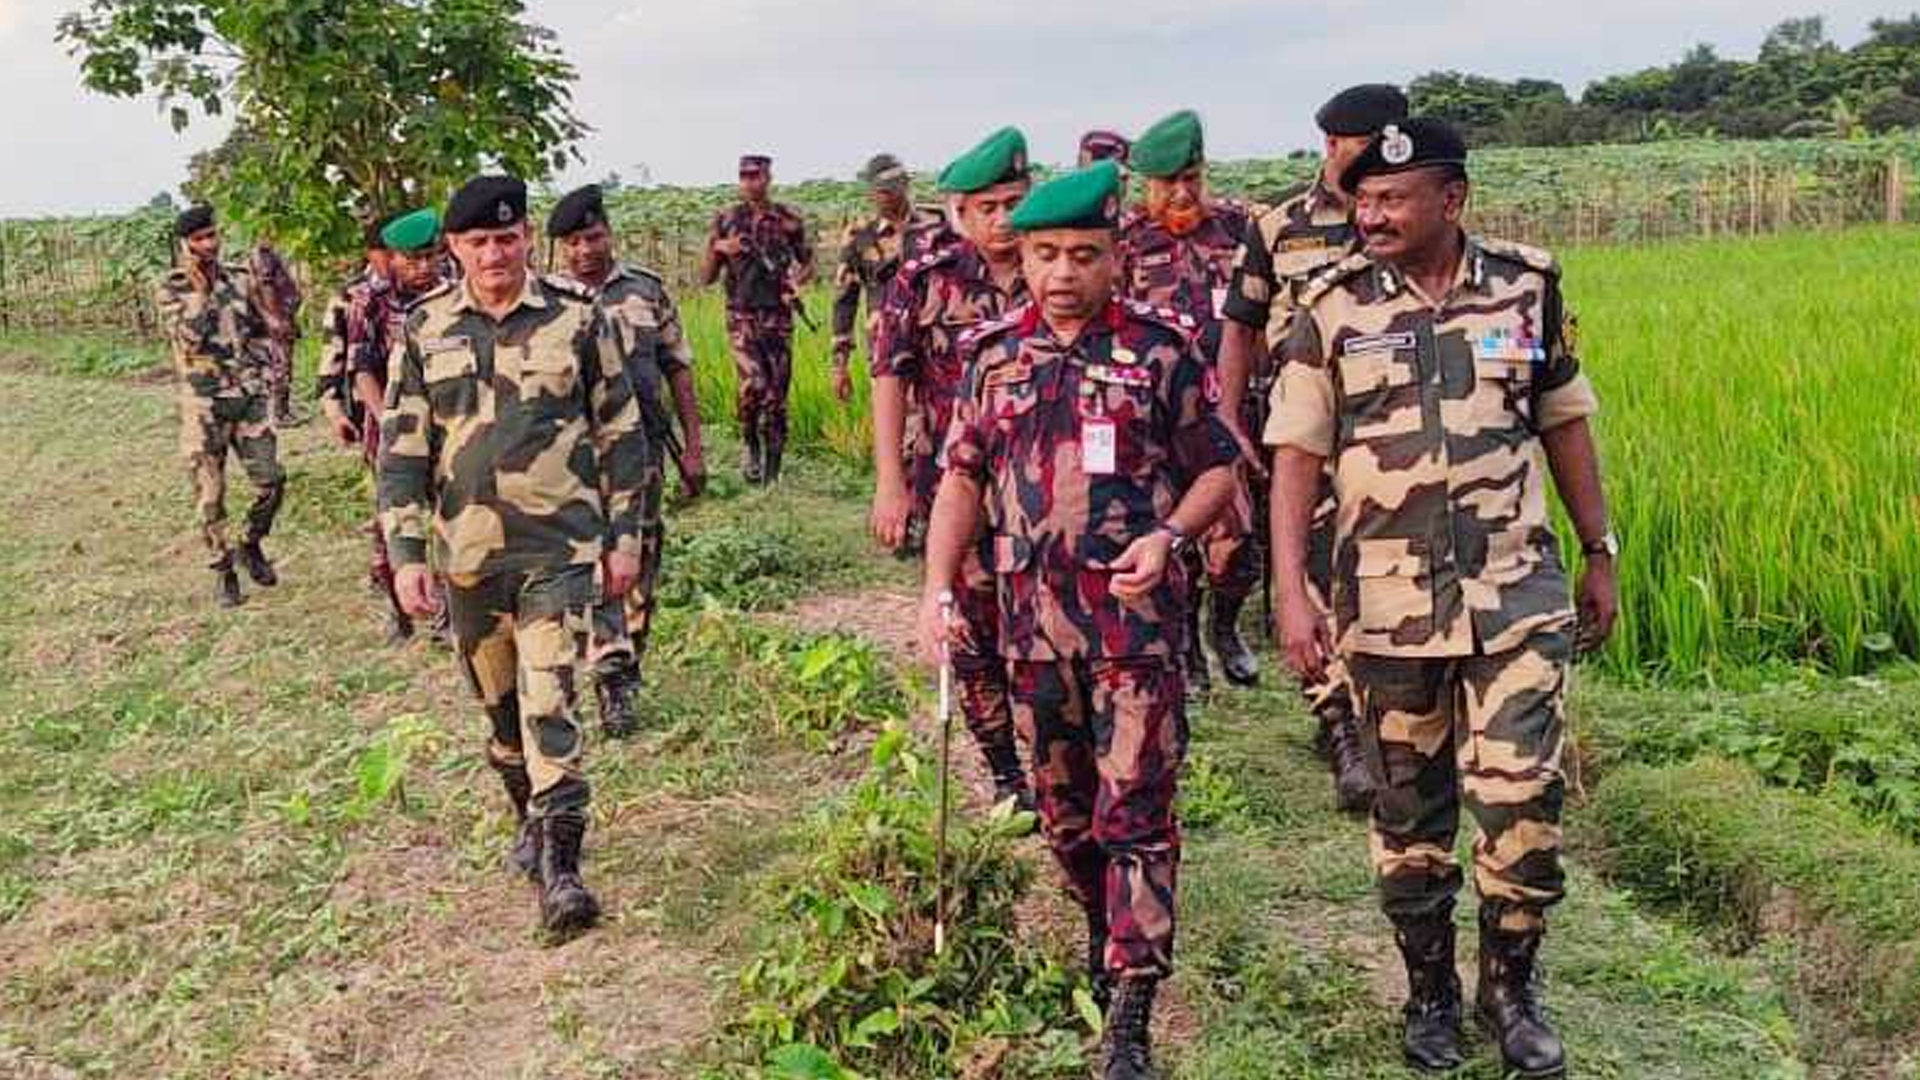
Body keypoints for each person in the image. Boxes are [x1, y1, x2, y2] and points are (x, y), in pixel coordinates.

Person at [1267, 118, 1618, 1077]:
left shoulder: (1525, 284)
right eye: (1362, 200)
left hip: (1516, 594)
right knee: (1409, 817)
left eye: (1392, 200)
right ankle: (1428, 990)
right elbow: (1295, 456)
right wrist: (1290, 590)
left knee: (1521, 801)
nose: (1369, 216)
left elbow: (1565, 421)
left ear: (1451, 200)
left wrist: (1601, 550)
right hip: (1383, 609)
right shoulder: (1329, 306)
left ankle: (1511, 987)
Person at [918, 160, 1237, 1080]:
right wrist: (939, 589)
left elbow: (1217, 468)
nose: (1062, 272)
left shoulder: (1163, 349)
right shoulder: (990, 355)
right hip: (1030, 632)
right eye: (1046, 253)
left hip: (1134, 631)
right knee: (1065, 819)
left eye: (1084, 255)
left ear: (1116, 255)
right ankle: (1103, 928)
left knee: (1135, 810)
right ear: (1020, 252)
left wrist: (1173, 537)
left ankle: (1132, 1012)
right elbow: (963, 479)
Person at [378, 175, 652, 936]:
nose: (494, 253)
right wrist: (405, 556)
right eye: (477, 242)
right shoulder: (424, 329)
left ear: (527, 237)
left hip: (558, 551)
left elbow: (622, 435)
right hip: (468, 561)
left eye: (507, 238)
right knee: (501, 719)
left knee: (549, 702)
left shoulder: (576, 317)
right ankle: (529, 822)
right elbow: (401, 454)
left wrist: (623, 539)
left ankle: (563, 872)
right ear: (455, 249)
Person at [1221, 82, 1409, 812]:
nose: (1333, 157)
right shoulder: (1279, 226)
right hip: (1302, 428)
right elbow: (1239, 326)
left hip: (1393, 424)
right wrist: (1229, 417)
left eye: (1348, 144)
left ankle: (1395, 714)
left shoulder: (1403, 215)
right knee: (1315, 572)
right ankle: (1339, 728)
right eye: (1328, 143)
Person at [871, 126, 1034, 811]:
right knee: (969, 630)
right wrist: (890, 482)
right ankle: (1005, 771)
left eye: (1014, 202)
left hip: (1040, 488)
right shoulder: (925, 277)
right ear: (960, 210)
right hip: (955, 488)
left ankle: (1059, 756)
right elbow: (889, 373)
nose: (1003, 220)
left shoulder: (1053, 264)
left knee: (1043, 624)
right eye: (988, 206)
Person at [547, 183, 709, 737]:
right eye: (572, 242)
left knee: (641, 559)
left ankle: (627, 662)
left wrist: (693, 446)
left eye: (592, 237)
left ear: (609, 233)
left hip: (641, 451)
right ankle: (612, 676)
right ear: (559, 249)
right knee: (598, 564)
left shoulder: (646, 290)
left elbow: (677, 370)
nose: (584, 250)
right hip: (576, 459)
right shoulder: (548, 302)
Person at [1119, 109, 1262, 698]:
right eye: (1167, 183)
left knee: (1237, 544)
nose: (1182, 194)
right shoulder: (1125, 242)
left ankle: (1224, 630)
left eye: (1192, 179)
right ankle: (1186, 652)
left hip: (1233, 412)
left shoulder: (1240, 229)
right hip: (1161, 422)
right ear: (1144, 184)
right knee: (1175, 539)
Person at [154, 204, 286, 609]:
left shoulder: (240, 279)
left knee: (272, 480)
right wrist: (201, 291)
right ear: (184, 244)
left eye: (212, 235)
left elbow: (261, 331)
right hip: (204, 405)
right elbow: (190, 339)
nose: (209, 244)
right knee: (210, 496)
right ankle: (223, 569)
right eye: (199, 239)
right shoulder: (171, 286)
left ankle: (250, 543)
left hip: (246, 398)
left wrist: (264, 374)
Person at [345, 207, 447, 644]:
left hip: (446, 430)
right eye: (412, 259)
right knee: (394, 521)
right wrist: (390, 423)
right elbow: (361, 368)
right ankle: (398, 609)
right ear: (391, 258)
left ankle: (448, 613)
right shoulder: (370, 302)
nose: (423, 267)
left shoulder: (454, 295)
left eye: (430, 256)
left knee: (449, 517)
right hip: (390, 428)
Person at [700, 154, 812, 483]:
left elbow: (807, 264)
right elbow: (705, 277)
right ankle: (749, 443)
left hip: (778, 316)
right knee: (753, 387)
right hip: (741, 315)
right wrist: (720, 248)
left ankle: (772, 474)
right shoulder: (726, 219)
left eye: (756, 175)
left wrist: (796, 282)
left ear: (768, 177)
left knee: (777, 396)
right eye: (744, 176)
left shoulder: (788, 219)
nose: (750, 182)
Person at [830, 153, 945, 404]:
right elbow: (844, 301)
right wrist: (839, 366)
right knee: (894, 429)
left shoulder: (936, 225)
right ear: (870, 193)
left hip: (938, 347)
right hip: (887, 350)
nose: (887, 195)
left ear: (905, 184)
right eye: (880, 190)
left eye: (893, 187)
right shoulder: (860, 236)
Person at [317, 217, 395, 451]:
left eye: (399, 253)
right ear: (370, 253)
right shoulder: (349, 297)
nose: (393, 261)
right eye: (386, 253)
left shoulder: (425, 290)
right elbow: (331, 358)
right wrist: (335, 414)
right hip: (370, 406)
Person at [249, 238, 303, 424]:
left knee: (281, 365)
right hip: (277, 319)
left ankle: (280, 411)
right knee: (280, 366)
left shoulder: (269, 254)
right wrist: (275, 318)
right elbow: (266, 286)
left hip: (281, 317)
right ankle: (278, 413)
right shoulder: (263, 255)